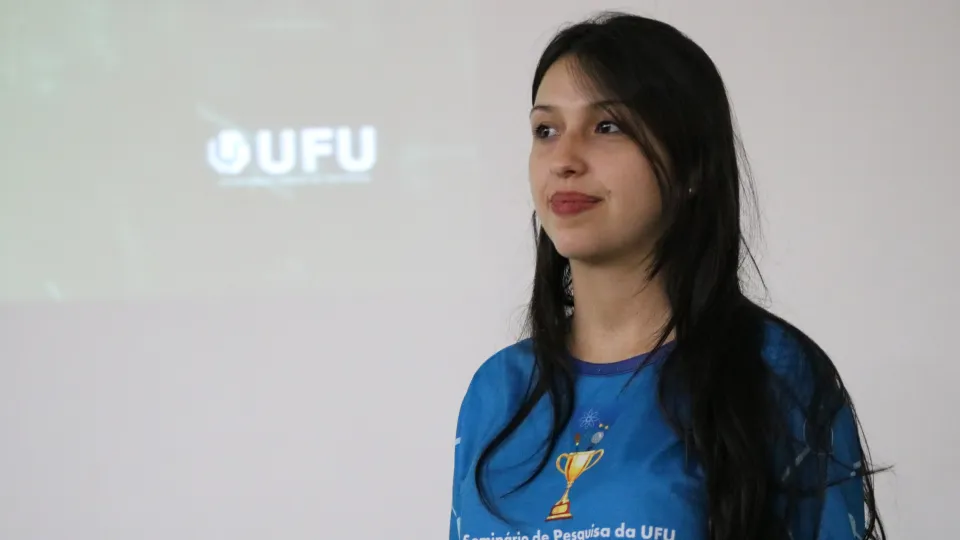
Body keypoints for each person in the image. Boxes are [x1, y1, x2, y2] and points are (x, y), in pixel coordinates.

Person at [449, 12, 887, 540]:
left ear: (692, 166)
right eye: (546, 130)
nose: (563, 159)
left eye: (607, 126)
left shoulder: (771, 374)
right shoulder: (498, 392)